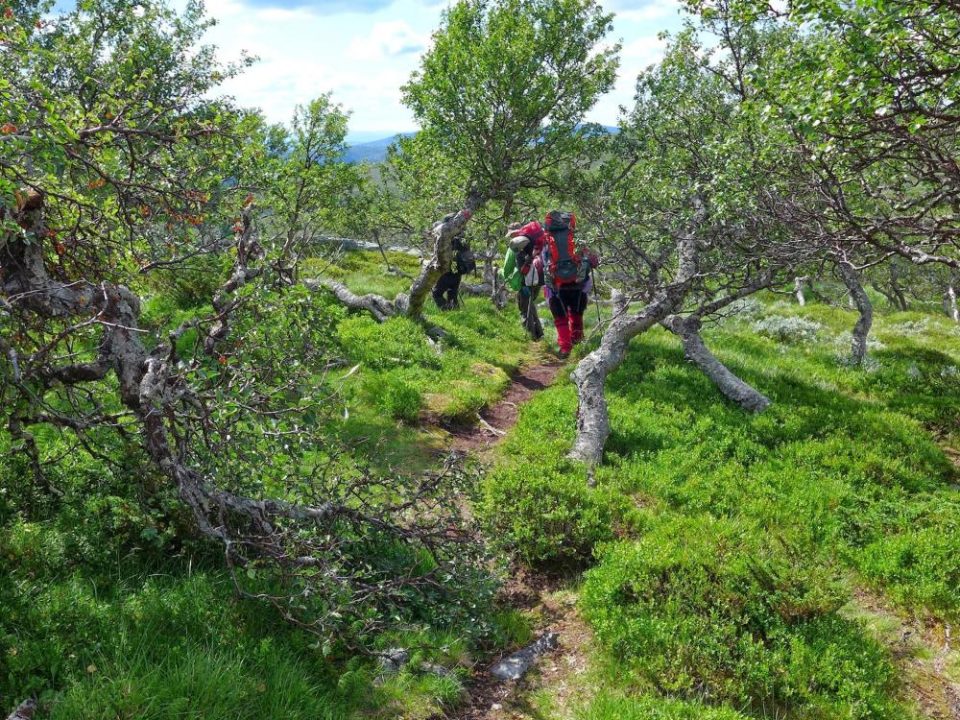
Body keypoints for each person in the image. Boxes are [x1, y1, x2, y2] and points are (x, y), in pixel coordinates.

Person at [540, 210, 598, 358]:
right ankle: (578, 341)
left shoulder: (547, 238)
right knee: (576, 312)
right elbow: (593, 260)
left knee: (560, 316)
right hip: (578, 283)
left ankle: (565, 347)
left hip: (555, 284)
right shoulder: (578, 238)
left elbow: (542, 260)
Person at [503, 220, 548, 339]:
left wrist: (505, 276)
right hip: (538, 278)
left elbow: (508, 266)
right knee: (530, 305)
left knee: (524, 307)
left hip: (524, 280)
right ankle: (539, 334)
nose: (512, 236)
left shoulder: (515, 246)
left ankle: (530, 336)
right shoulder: (534, 243)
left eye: (512, 234)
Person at [432, 222, 476, 310]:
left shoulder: (444, 240)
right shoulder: (462, 239)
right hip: (457, 272)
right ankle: (456, 313)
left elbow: (439, 257)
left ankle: (447, 311)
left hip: (446, 273)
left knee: (436, 294)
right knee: (452, 294)